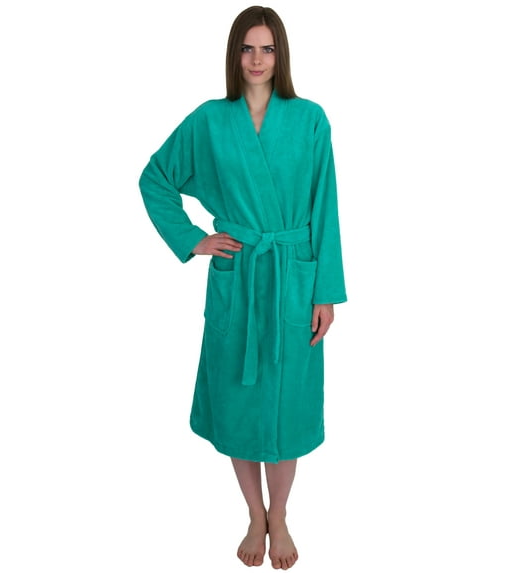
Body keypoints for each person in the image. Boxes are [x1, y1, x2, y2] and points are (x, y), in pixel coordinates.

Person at [139, 6, 346, 569]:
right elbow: (155, 177)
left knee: (288, 405)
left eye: (267, 49)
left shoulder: (310, 119)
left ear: (281, 55)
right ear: (234, 54)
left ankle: (280, 513)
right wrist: (194, 239)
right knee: (237, 400)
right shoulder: (210, 120)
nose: (257, 59)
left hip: (294, 276)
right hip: (239, 274)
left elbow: (324, 207)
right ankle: (254, 513)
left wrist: (325, 292)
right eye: (247, 48)